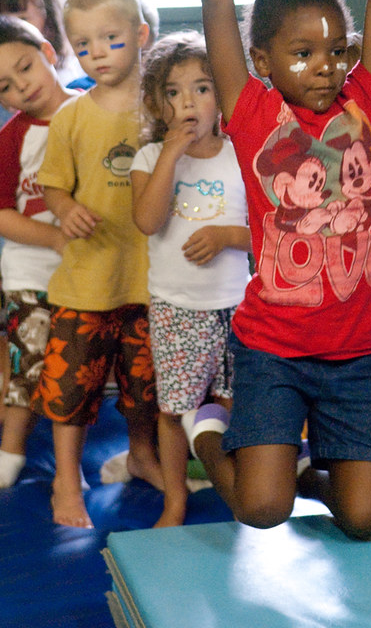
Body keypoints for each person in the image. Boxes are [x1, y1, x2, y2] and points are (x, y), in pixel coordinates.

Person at [181, 0, 371, 539]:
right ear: (263, 60)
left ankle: (316, 472)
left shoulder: (366, 103)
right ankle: (207, 435)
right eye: (303, 53)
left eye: (336, 51)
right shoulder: (253, 113)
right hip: (276, 351)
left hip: (357, 355)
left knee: (368, 519)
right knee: (261, 509)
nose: (326, 66)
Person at [32, 0, 162, 528]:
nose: (97, 54)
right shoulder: (71, 118)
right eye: (82, 45)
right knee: (71, 388)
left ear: (140, 36)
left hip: (151, 278)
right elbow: (53, 186)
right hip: (87, 282)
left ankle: (141, 454)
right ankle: (67, 481)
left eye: (110, 39)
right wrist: (64, 210)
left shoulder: (160, 112)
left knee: (144, 386)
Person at [130, 31, 251, 527]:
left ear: (221, 94)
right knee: (174, 409)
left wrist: (226, 234)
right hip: (178, 307)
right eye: (175, 92)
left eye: (202, 88)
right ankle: (175, 499)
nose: (189, 102)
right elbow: (147, 220)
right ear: (159, 105)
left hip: (239, 304)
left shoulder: (242, 154)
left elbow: (270, 232)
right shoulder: (147, 160)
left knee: (230, 402)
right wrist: (169, 157)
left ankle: (235, 490)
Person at [0, 17, 75, 487]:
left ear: (49, 53)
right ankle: (12, 447)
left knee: (76, 365)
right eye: (3, 86)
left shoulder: (93, 114)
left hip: (88, 273)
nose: (19, 88)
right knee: (27, 361)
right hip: (30, 269)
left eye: (25, 68)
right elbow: (1, 212)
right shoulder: (12, 137)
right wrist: (51, 238)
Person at [0, 0, 84, 87]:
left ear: (51, 20)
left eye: (23, 19)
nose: (12, 29)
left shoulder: (75, 73)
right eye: (7, 21)